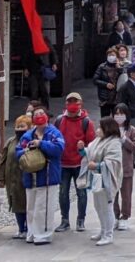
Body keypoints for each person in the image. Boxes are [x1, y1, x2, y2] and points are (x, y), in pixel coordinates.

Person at [17, 106, 66, 246]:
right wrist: (27, 150)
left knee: (44, 207)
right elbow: (18, 151)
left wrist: (42, 144)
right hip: (30, 176)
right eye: (36, 114)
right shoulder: (28, 134)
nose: (38, 116)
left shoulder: (54, 133)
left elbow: (59, 149)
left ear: (46, 116)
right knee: (31, 207)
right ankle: (32, 233)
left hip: (48, 176)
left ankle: (44, 234)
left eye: (41, 113)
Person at [55, 92, 95, 232]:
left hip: (80, 164)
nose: (72, 104)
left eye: (75, 101)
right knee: (63, 193)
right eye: (69, 101)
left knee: (81, 193)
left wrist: (83, 148)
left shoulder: (86, 122)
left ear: (80, 104)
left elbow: (92, 144)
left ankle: (81, 220)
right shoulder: (60, 120)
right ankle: (64, 220)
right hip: (63, 163)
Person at [83, 116, 123, 246]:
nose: (97, 130)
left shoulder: (114, 142)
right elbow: (89, 153)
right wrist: (81, 150)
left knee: (106, 207)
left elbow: (114, 161)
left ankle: (108, 234)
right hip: (97, 178)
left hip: (107, 178)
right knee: (98, 206)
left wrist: (99, 165)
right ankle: (103, 229)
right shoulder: (97, 140)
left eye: (100, 127)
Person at [0, 114, 31, 238]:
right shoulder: (10, 141)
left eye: (22, 126)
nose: (19, 128)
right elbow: (3, 160)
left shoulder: (30, 141)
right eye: (17, 126)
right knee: (15, 204)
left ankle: (28, 228)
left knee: (26, 204)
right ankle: (20, 228)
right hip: (11, 178)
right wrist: (1, 177)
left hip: (24, 177)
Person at [112, 105, 135, 231]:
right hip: (112, 167)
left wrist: (124, 139)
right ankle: (115, 216)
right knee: (113, 194)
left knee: (126, 194)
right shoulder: (110, 129)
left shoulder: (132, 130)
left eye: (121, 114)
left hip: (126, 166)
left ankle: (125, 216)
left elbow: (134, 147)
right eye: (116, 114)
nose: (119, 116)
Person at [116, 64, 135, 142]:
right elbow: (121, 103)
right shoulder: (125, 87)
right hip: (131, 115)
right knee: (132, 136)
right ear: (131, 74)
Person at [92, 48, 123, 119]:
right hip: (105, 98)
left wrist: (119, 67)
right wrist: (106, 84)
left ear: (117, 56)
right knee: (105, 120)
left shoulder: (120, 67)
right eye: (109, 55)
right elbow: (95, 80)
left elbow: (124, 78)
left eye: (113, 55)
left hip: (117, 98)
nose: (111, 56)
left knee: (117, 119)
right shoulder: (102, 67)